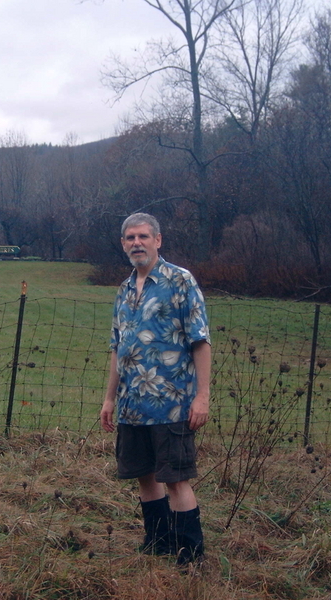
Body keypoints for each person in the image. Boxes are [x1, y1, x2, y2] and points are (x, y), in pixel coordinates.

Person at [100, 212, 211, 566]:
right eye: (130, 238)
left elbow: (201, 342)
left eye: (143, 236)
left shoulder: (180, 281)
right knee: (144, 475)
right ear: (123, 244)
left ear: (158, 240)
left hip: (173, 404)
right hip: (132, 405)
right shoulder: (124, 289)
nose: (137, 243)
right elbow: (118, 347)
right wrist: (109, 398)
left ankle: (189, 555)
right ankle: (158, 542)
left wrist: (202, 396)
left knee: (175, 479)